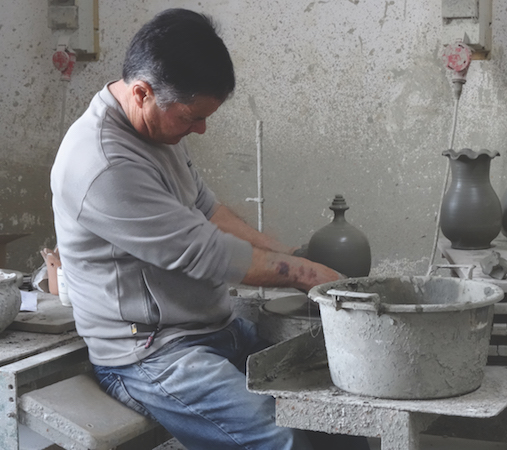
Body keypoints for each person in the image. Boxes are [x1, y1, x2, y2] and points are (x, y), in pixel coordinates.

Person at [51, 8, 369, 450]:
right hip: (151, 356)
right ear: (142, 92)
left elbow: (209, 211)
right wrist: (307, 274)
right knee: (284, 441)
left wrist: (291, 253)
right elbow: (205, 253)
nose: (198, 129)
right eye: (189, 117)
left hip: (216, 329)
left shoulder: (157, 130)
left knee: (341, 414)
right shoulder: (103, 165)